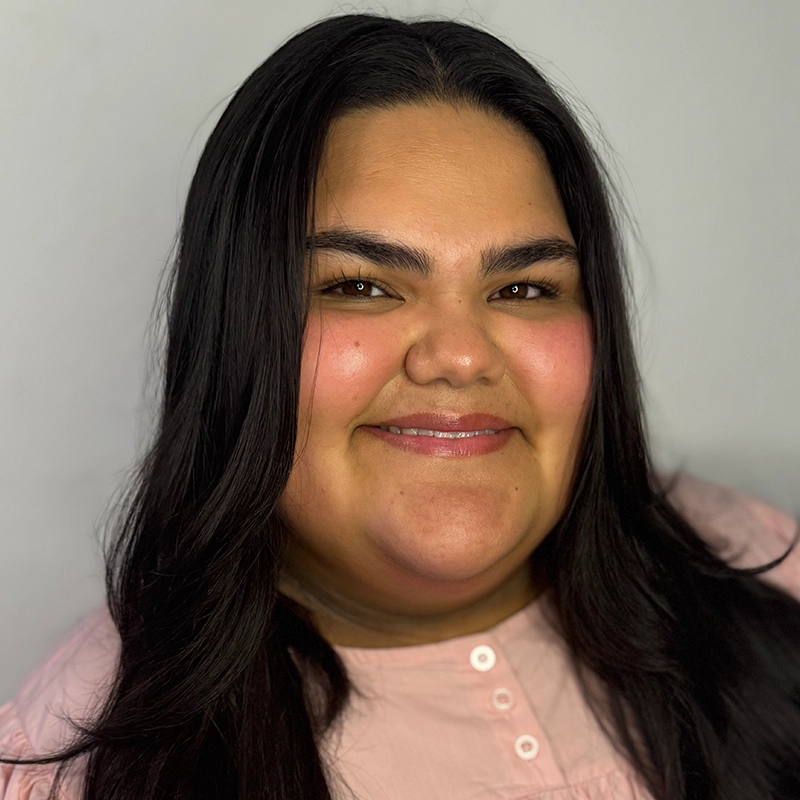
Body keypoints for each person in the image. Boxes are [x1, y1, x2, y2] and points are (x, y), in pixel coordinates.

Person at [1, 12, 799, 800]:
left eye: (524, 287)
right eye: (360, 285)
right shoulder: (77, 764)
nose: (457, 355)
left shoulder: (761, 569)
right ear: (238, 333)